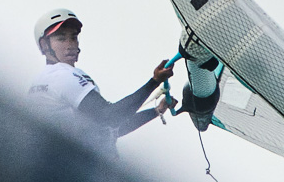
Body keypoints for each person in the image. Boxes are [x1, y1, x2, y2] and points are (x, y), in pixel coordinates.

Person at [25, 10, 175, 156]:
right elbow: (110, 117)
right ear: (44, 45)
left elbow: (110, 130)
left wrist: (156, 111)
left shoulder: (45, 79)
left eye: (73, 37)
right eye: (61, 39)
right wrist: (154, 82)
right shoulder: (61, 75)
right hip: (79, 167)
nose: (70, 44)